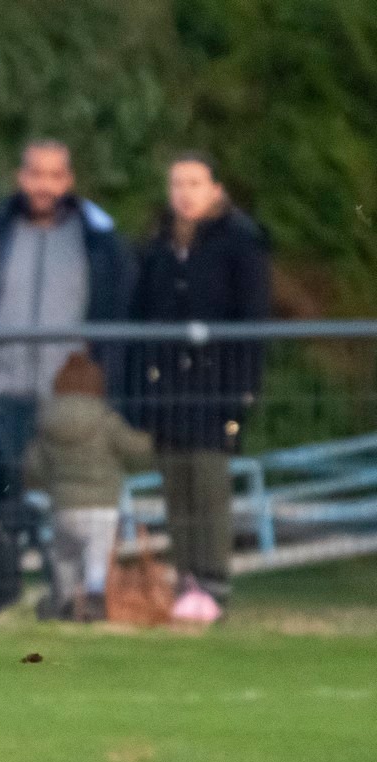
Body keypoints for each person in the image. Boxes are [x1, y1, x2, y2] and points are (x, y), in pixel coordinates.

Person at [0, 139, 135, 529]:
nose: (44, 185)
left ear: (69, 180)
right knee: (1, 488)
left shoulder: (98, 242)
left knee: (71, 496)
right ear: (20, 177)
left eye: (54, 175)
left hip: (69, 394)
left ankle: (70, 582)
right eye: (35, 173)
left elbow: (119, 309)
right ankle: (3, 570)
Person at [125, 154, 271, 608]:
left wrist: (244, 386)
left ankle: (213, 582)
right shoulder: (159, 245)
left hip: (217, 384)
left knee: (208, 484)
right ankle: (186, 579)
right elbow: (143, 313)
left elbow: (253, 318)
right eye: (177, 184)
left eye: (194, 183)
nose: (184, 193)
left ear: (215, 188)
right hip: (168, 386)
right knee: (175, 483)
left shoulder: (240, 240)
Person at [24, 352, 151, 622]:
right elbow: (134, 448)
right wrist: (152, 439)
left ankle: (67, 601)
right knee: (97, 558)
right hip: (101, 504)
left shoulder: (47, 422)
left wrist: (50, 483)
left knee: (65, 558)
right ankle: (95, 601)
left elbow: (34, 466)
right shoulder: (105, 420)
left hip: (64, 504)